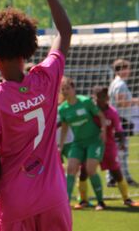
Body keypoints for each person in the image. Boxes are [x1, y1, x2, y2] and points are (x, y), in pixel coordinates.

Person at [0, 0, 72, 231]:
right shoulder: (47, 78)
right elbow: (64, 31)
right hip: (54, 198)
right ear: (28, 46)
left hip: (16, 202)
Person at [80, 85, 138, 208]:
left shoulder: (112, 112)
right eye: (97, 97)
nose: (99, 100)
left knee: (116, 172)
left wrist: (122, 142)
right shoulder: (90, 110)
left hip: (108, 146)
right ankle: (83, 200)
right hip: (91, 145)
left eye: (102, 97)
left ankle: (127, 199)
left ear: (107, 97)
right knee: (84, 171)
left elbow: (119, 129)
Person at [57, 77, 107, 210]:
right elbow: (64, 128)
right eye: (63, 89)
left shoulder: (85, 102)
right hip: (78, 143)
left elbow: (101, 116)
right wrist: (60, 146)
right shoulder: (62, 109)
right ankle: (65, 203)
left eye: (68, 88)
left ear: (74, 89)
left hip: (94, 141)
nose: (66, 91)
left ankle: (100, 202)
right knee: (71, 169)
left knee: (91, 170)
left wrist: (103, 130)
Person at [108, 58, 139, 187]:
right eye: (127, 68)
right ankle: (123, 178)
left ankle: (112, 178)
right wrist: (136, 101)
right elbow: (120, 102)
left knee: (116, 150)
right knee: (122, 150)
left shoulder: (116, 83)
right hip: (121, 119)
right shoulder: (120, 84)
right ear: (120, 70)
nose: (129, 71)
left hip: (119, 119)